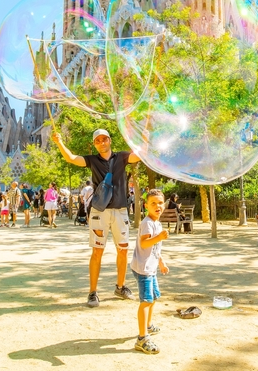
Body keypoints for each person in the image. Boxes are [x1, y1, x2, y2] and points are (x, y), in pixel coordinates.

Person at [52, 128, 142, 308]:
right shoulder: (92, 160)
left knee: (123, 250)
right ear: (94, 144)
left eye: (104, 139)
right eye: (98, 141)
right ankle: (92, 292)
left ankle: (120, 286)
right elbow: (70, 157)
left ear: (110, 140)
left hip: (120, 210)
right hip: (99, 211)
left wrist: (143, 136)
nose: (102, 143)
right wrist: (59, 142)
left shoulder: (122, 157)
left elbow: (138, 156)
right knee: (97, 251)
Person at [131, 188, 170, 355]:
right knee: (146, 300)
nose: (157, 206)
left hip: (151, 267)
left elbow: (155, 248)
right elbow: (146, 243)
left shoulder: (157, 223)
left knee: (153, 297)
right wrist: (159, 237)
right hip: (143, 269)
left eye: (160, 203)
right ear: (146, 205)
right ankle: (142, 338)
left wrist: (161, 262)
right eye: (153, 203)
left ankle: (148, 325)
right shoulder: (147, 223)